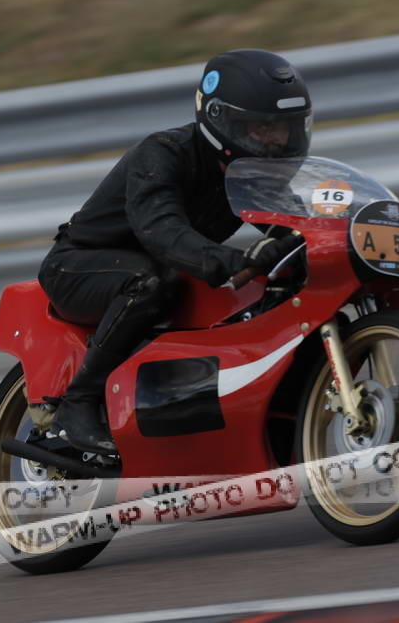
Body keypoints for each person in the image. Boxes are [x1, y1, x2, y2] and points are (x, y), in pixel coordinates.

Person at [37, 49, 313, 454]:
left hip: (167, 272)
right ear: (222, 120)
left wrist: (322, 246)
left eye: (285, 128)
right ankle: (77, 403)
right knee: (150, 282)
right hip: (77, 267)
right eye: (263, 127)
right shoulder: (163, 153)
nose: (277, 140)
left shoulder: (252, 177)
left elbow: (296, 230)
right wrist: (234, 261)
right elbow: (162, 231)